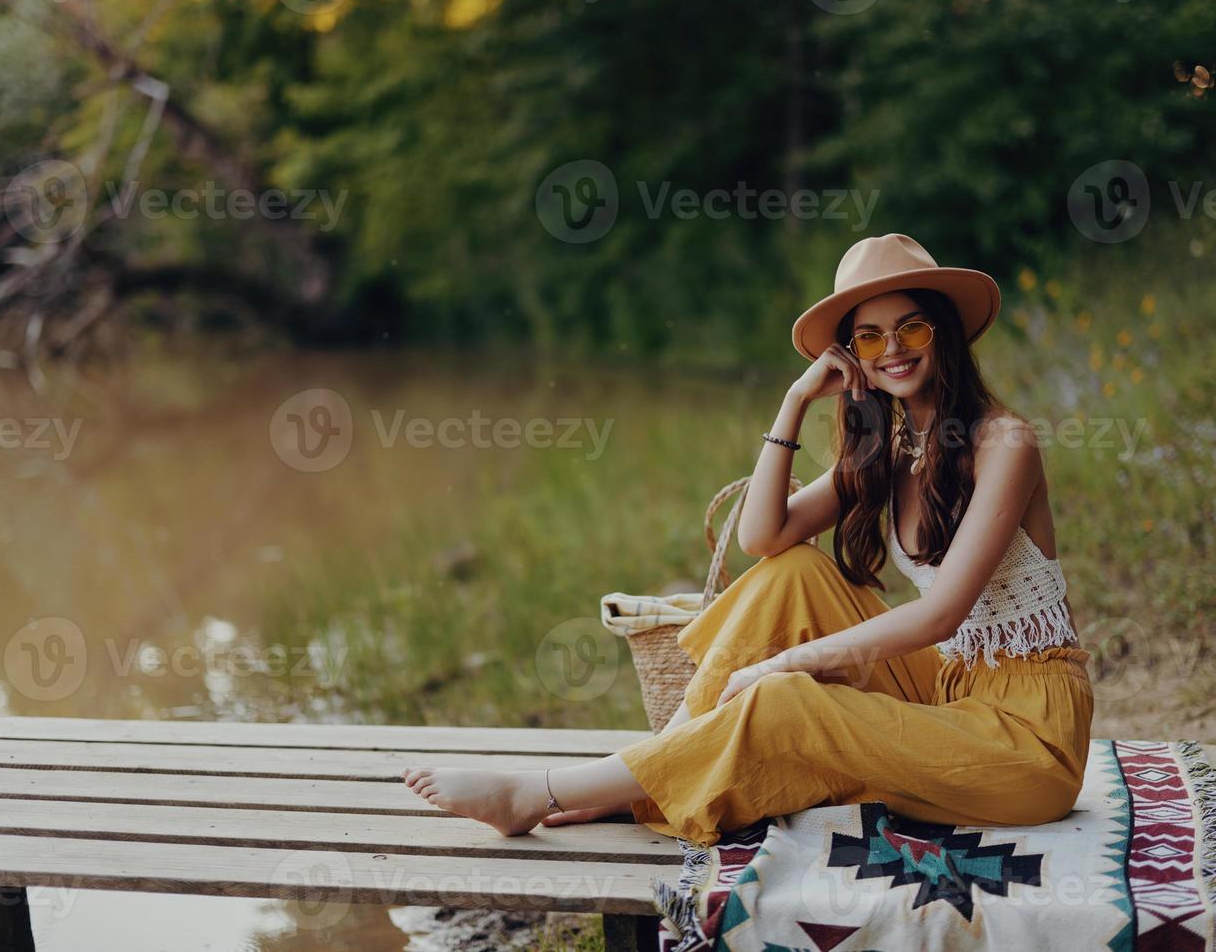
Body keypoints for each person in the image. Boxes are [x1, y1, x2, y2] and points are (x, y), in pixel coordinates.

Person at [402, 233, 1094, 847]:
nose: (894, 350)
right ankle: (648, 771)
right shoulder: (892, 448)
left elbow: (941, 613)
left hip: (1027, 741)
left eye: (910, 327)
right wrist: (794, 401)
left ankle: (541, 793)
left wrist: (781, 666)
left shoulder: (1004, 442)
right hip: (950, 693)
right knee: (794, 573)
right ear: (850, 355)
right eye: (870, 337)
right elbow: (763, 537)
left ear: (943, 330)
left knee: (786, 699)